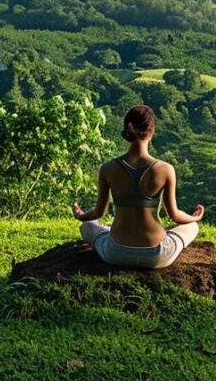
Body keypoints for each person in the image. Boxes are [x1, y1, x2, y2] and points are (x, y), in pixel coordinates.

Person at [72, 104, 204, 269]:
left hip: (115, 253)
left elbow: (98, 212)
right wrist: (195, 217)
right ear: (152, 131)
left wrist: (81, 215)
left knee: (88, 226)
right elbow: (175, 216)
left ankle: (108, 233)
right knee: (191, 227)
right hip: (157, 255)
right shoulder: (165, 169)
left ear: (127, 129)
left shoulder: (107, 168)